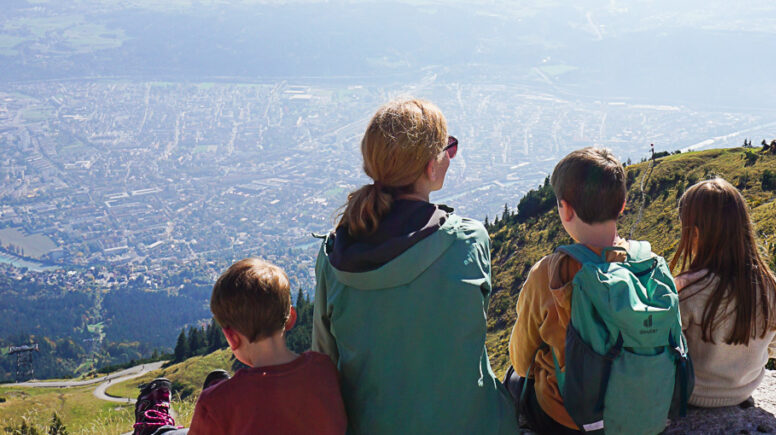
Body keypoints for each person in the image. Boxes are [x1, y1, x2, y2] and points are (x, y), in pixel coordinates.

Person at [312, 98, 517, 435]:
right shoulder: (468, 241)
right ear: (429, 166)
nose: (450, 157)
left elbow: (323, 360)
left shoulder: (334, 253)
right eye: (447, 149)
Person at [133, 258, 347, 435]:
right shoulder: (324, 369)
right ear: (291, 318)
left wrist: (223, 400)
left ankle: (155, 429)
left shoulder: (216, 403)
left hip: (224, 408)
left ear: (231, 338)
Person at [507, 147, 636, 434]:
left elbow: (520, 360)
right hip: (636, 408)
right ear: (622, 204)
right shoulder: (643, 264)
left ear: (565, 209)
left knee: (512, 381)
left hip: (566, 417)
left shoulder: (549, 274)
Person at [670, 178, 776, 408]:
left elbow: (665, 352)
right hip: (743, 392)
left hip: (690, 395)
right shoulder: (768, 287)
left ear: (695, 233)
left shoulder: (687, 291)